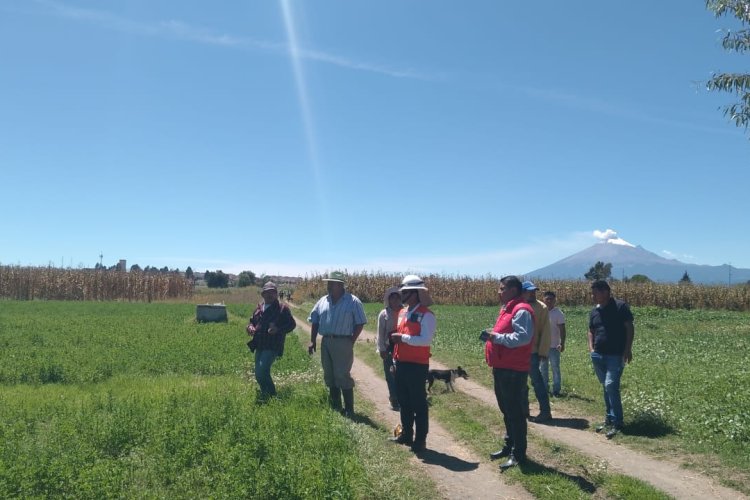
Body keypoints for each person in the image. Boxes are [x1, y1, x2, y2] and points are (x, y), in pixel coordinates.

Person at [482, 275, 535, 470]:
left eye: (502, 288)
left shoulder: (521, 310)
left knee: (515, 413)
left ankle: (518, 454)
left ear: (513, 290)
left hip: (514, 370)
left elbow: (522, 337)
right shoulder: (507, 308)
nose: (499, 291)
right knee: (507, 411)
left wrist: (495, 337)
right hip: (503, 368)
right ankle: (509, 445)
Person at [308, 271, 367, 418]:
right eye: (328, 283)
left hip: (343, 341)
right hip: (326, 341)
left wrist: (351, 341)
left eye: (331, 283)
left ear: (340, 285)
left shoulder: (352, 301)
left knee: (342, 375)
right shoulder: (323, 301)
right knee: (329, 374)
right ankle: (336, 405)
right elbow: (314, 320)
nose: (328, 285)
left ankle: (349, 409)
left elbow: (360, 323)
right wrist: (312, 340)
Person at [390, 275, 435, 453]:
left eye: (406, 292)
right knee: (404, 402)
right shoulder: (402, 312)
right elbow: (399, 338)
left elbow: (425, 340)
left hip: (417, 366)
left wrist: (404, 338)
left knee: (419, 404)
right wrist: (394, 361)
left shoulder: (427, 315)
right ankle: (407, 434)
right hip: (401, 363)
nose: (402, 295)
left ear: (416, 293)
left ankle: (420, 440)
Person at [588, 279, 635, 439]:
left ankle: (617, 422)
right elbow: (591, 330)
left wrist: (628, 349)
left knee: (610, 386)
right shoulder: (595, 311)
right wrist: (591, 349)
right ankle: (609, 418)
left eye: (595, 293)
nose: (592, 296)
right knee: (605, 387)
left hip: (616, 355)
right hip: (598, 355)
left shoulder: (620, 307)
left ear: (605, 292)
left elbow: (629, 327)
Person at [246, 281, 297, 399]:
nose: (269, 295)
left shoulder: (282, 309)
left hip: (273, 345)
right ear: (263, 294)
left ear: (276, 294)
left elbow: (292, 324)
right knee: (258, 373)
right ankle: (266, 393)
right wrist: (250, 327)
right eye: (267, 292)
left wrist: (278, 329)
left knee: (262, 370)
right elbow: (251, 322)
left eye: (272, 292)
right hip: (259, 344)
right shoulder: (259, 308)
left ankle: (272, 395)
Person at [521, 281, 552, 422]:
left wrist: (543, 351)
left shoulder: (542, 307)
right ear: (522, 292)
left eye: (534, 291)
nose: (533, 293)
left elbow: (546, 331)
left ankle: (545, 412)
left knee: (537, 382)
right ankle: (524, 410)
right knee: (520, 383)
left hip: (532, 352)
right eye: (529, 291)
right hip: (517, 352)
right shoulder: (517, 305)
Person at [376, 286, 403, 410]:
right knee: (390, 373)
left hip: (403, 347)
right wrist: (381, 348)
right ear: (389, 300)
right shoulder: (384, 314)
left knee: (402, 374)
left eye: (397, 297)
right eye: (392, 298)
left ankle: (403, 397)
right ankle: (393, 398)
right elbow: (380, 333)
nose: (395, 300)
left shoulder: (405, 312)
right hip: (388, 347)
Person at [542, 291, 567, 397]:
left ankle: (556, 389)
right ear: (543, 299)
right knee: (543, 368)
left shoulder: (558, 313)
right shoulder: (541, 311)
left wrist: (562, 343)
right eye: (547, 298)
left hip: (554, 346)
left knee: (555, 368)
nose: (549, 301)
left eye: (551, 299)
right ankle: (544, 388)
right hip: (543, 345)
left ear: (555, 300)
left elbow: (562, 329)